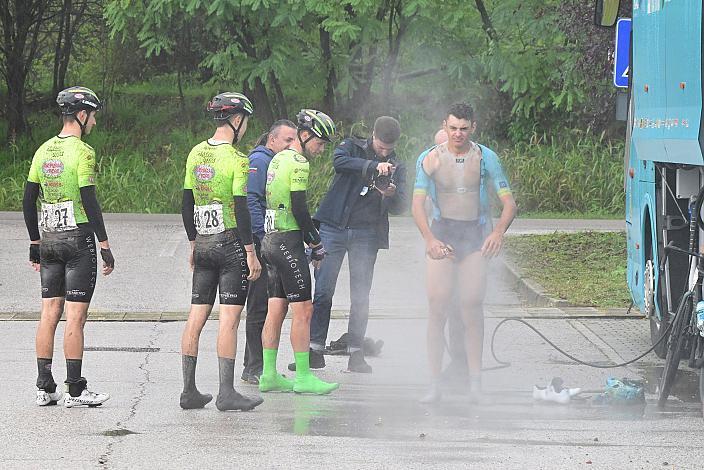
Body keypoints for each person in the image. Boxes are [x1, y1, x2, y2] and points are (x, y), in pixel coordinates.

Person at [412, 103, 517, 403]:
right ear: (444, 125)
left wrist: (498, 232)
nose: (458, 134)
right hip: (443, 234)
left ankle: (475, 382)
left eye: (464, 128)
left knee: (471, 305)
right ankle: (434, 383)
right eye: (453, 128)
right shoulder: (430, 158)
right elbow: (417, 205)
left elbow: (509, 203)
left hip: (474, 235)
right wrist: (429, 239)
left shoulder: (485, 158)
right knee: (438, 306)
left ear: (473, 128)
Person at [292, 116, 407, 374]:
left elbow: (401, 204)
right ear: (373, 135)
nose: (384, 152)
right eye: (380, 146)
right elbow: (339, 162)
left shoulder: (397, 164)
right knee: (323, 291)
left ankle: (356, 353)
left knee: (361, 295)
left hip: (367, 233)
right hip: (334, 226)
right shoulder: (351, 146)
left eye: (389, 149)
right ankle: (314, 349)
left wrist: (390, 194)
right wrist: (373, 166)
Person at [23, 86, 114, 408]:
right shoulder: (83, 152)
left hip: (48, 238)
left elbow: (28, 198)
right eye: (93, 116)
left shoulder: (43, 150)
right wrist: (104, 244)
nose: (94, 122)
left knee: (48, 313)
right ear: (81, 114)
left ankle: (44, 386)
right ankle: (75, 389)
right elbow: (89, 200)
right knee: (75, 317)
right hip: (77, 240)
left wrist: (35, 242)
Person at [179, 92, 263, 411]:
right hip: (230, 244)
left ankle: (189, 391)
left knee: (196, 316)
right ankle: (226, 393)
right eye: (246, 122)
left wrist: (193, 243)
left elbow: (187, 203)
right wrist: (250, 253)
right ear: (236, 120)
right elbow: (241, 210)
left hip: (203, 241)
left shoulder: (196, 153)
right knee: (229, 319)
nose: (246, 128)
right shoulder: (238, 160)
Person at [258, 109, 339, 395]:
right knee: (304, 310)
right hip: (288, 241)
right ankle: (303, 377)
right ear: (304, 136)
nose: (322, 148)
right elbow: (300, 209)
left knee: (276, 308)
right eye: (320, 141)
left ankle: (268, 374)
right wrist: (315, 243)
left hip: (269, 240)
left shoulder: (277, 158)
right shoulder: (298, 162)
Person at [241, 119, 297, 385]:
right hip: (262, 242)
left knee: (267, 304)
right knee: (259, 305)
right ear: (272, 140)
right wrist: (262, 239)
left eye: (293, 140)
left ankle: (259, 365)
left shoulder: (276, 162)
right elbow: (251, 200)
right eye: (287, 140)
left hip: (270, 241)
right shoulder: (261, 161)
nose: (291, 145)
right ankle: (253, 367)